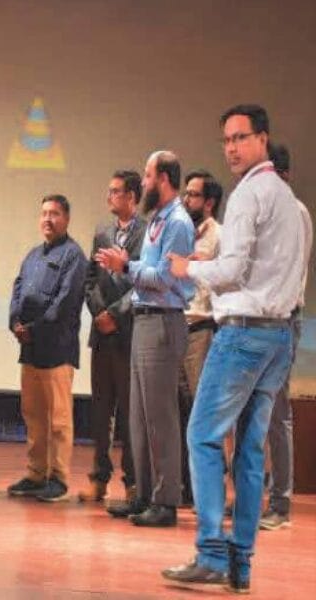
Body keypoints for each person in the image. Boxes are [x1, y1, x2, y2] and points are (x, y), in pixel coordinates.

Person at [163, 105, 305, 593]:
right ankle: (240, 564)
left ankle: (210, 554)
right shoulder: (294, 205)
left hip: (243, 333)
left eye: (241, 138)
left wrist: (188, 267)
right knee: (248, 450)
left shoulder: (249, 194)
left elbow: (231, 272)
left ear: (263, 139)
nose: (231, 148)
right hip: (280, 335)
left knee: (202, 435)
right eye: (226, 139)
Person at [97, 151, 195, 527]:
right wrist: (125, 266)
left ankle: (165, 501)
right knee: (137, 417)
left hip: (163, 321)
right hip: (143, 320)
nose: (144, 181)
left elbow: (166, 279)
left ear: (164, 179)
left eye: (149, 175)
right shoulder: (157, 220)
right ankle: (142, 494)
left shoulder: (178, 224)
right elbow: (146, 274)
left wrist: (126, 265)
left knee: (160, 417)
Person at [6, 195, 87, 503]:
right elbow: (17, 291)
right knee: (34, 415)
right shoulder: (32, 255)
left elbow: (64, 304)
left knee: (59, 419)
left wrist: (34, 329)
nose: (48, 219)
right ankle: (36, 474)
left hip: (57, 348)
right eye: (44, 213)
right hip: (30, 349)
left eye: (54, 213)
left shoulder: (74, 256)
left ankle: (59, 478)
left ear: (66, 218)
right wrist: (15, 322)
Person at [78, 174, 145, 504]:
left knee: (131, 413)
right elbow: (90, 279)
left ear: (131, 196)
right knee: (101, 410)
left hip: (129, 333)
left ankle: (132, 481)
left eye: (115, 191)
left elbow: (144, 283)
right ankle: (99, 477)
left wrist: (115, 315)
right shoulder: (102, 232)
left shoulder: (147, 232)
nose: (109, 197)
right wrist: (98, 312)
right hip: (101, 334)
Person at [259, 143, 313, 530]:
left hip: (281, 321)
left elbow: (287, 273)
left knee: (277, 415)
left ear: (285, 176)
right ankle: (250, 497)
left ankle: (280, 503)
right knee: (250, 415)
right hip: (254, 322)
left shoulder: (296, 213)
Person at [178, 169, 222, 506]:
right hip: (175, 328)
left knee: (201, 411)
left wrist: (201, 265)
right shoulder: (180, 230)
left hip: (202, 330)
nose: (185, 199)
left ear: (209, 202)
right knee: (179, 410)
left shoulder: (219, 236)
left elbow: (225, 280)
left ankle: (208, 491)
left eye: (193, 195)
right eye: (186, 193)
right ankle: (185, 487)